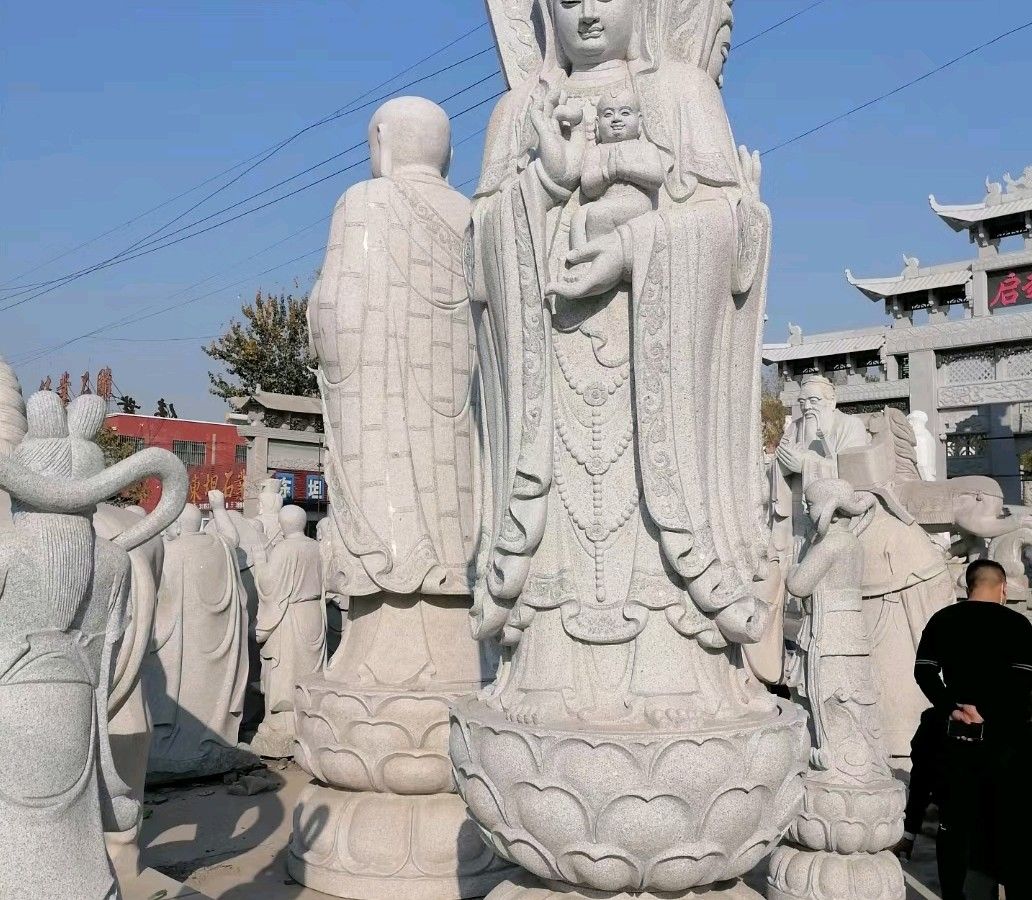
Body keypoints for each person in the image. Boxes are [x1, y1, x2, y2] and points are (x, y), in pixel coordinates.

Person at [914, 559, 1032, 899]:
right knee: (1010, 826)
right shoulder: (1018, 624)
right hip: (1007, 744)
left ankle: (955, 893)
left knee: (955, 824)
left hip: (957, 739)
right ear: (1003, 588)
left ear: (968, 587)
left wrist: (952, 707)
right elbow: (1023, 680)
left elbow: (924, 670)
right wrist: (988, 712)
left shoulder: (943, 619)